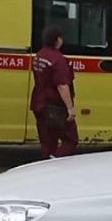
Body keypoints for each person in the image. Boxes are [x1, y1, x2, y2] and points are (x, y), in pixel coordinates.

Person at [32, 25, 79, 158]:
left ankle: (47, 166)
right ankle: (55, 161)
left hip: (39, 103)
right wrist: (70, 108)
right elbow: (62, 85)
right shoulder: (59, 60)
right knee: (71, 140)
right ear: (58, 40)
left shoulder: (39, 56)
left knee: (47, 142)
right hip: (54, 106)